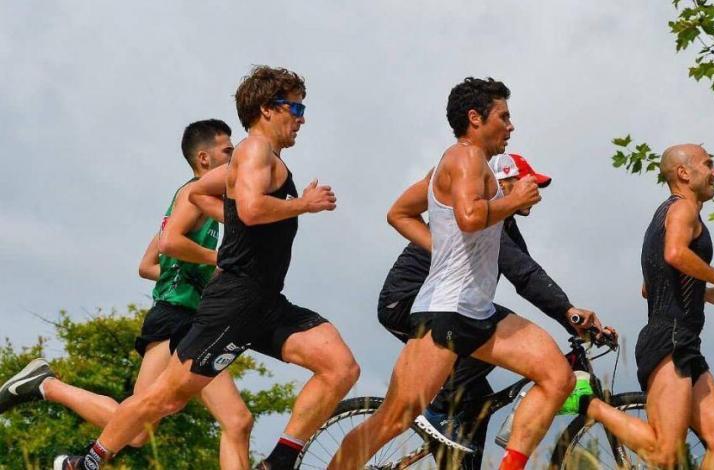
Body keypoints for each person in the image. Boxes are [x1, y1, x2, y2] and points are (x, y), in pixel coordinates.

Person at [54, 66, 360, 470]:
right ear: (267, 109)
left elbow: (199, 192)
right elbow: (248, 209)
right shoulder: (254, 151)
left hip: (266, 301)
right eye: (295, 107)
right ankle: (88, 462)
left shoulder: (261, 157)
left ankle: (280, 461)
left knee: (340, 366)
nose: (302, 117)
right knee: (166, 398)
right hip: (234, 301)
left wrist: (235, 218)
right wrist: (302, 204)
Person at [329, 77, 577, 470]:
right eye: (504, 117)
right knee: (393, 420)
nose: (511, 127)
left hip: (477, 312)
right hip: (446, 312)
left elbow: (400, 212)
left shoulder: (470, 165)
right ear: (475, 118)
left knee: (558, 376)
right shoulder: (464, 159)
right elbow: (470, 217)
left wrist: (441, 246)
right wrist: (513, 200)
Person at [1, 119, 257, 469]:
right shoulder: (193, 195)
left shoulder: (195, 202)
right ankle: (48, 389)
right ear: (204, 159)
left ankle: (45, 385)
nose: (235, 157)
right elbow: (169, 246)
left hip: (181, 316)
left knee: (144, 430)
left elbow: (150, 264)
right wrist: (219, 264)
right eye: (228, 151)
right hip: (180, 320)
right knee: (230, 421)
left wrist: (196, 276)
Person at [377, 152, 613, 469]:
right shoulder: (485, 219)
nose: (537, 193)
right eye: (530, 182)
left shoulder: (504, 223)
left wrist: (570, 318)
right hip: (405, 301)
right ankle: (439, 410)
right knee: (488, 327)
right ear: (504, 182)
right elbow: (524, 274)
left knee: (478, 401)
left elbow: (528, 274)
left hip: (444, 304)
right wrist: (568, 310)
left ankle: (458, 452)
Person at [582, 144, 714, 468]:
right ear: (684, 173)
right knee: (664, 453)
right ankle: (589, 405)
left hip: (682, 340)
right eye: (708, 164)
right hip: (668, 339)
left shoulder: (665, 214)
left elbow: (652, 287)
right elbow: (675, 254)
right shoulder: (683, 210)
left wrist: (706, 292)